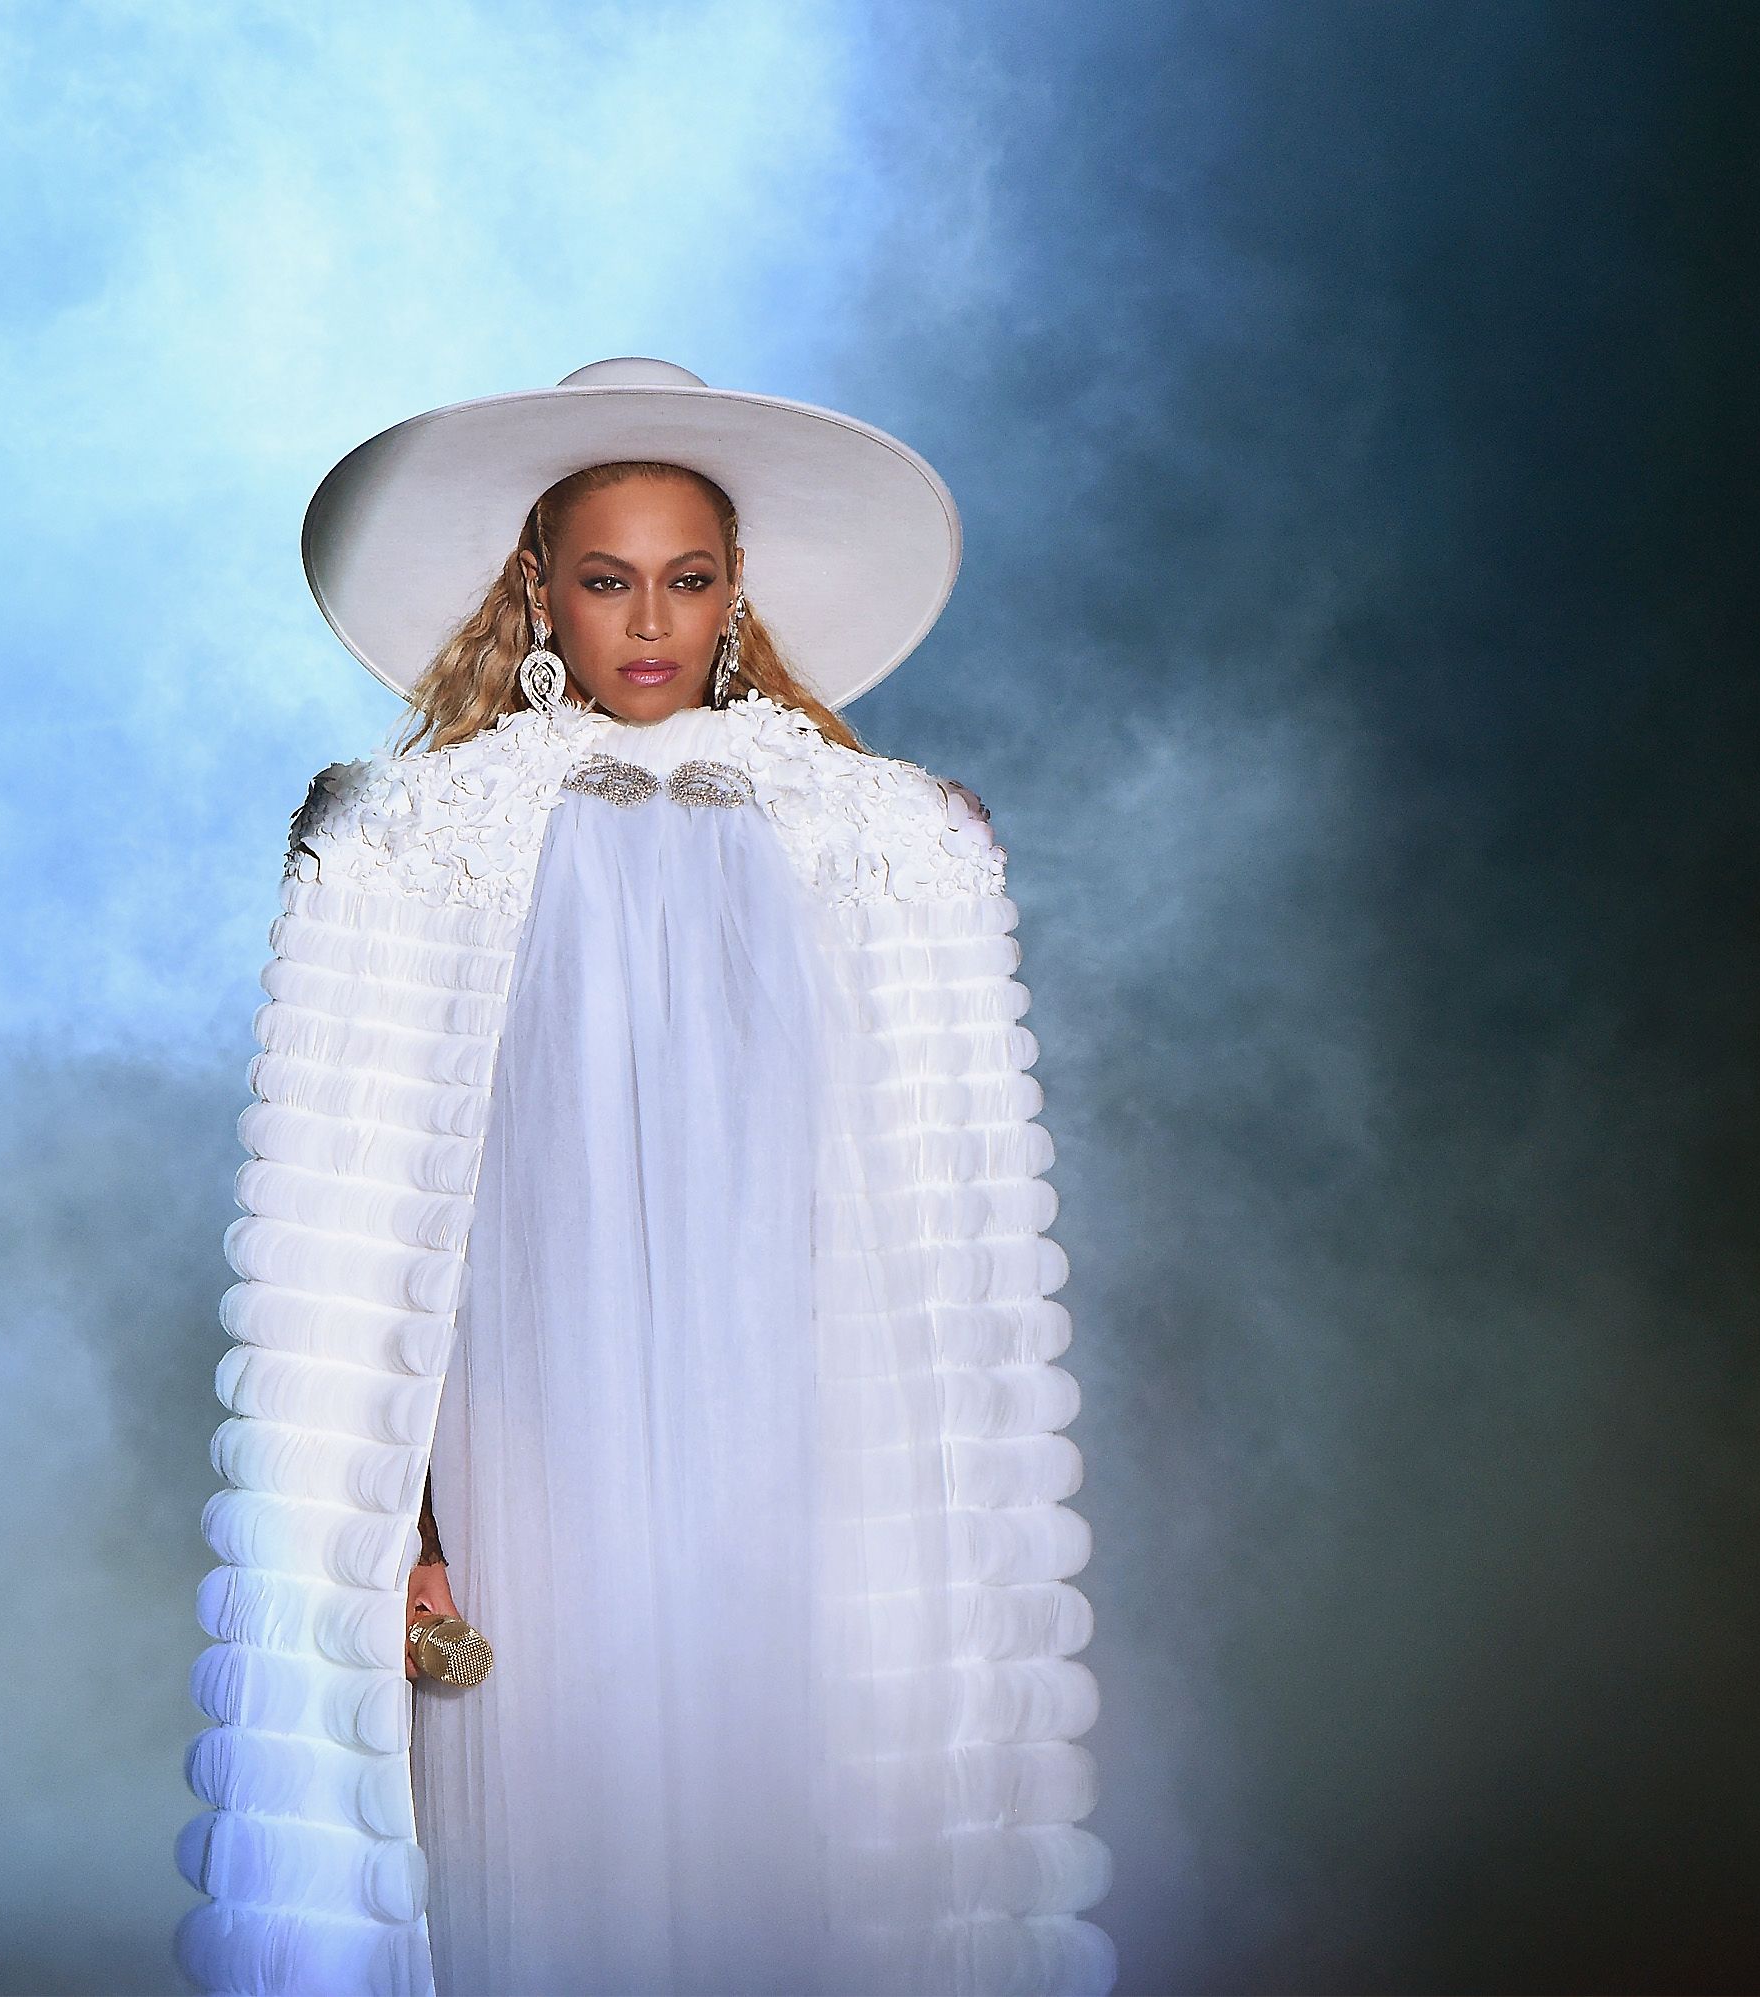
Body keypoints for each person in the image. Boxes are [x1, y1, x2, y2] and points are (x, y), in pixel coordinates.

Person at [174, 360, 1112, 1997]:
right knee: (555, 1830)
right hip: (530, 1439)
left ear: (738, 588)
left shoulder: (880, 842)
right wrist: (402, 1518)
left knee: (791, 1820)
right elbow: (363, 1231)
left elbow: (932, 1223)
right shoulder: (414, 843)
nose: (652, 621)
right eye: (608, 579)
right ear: (539, 586)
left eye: (687, 578)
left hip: (794, 1437)